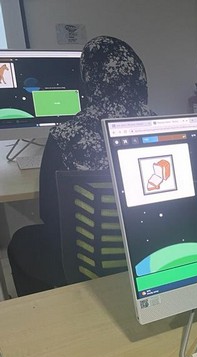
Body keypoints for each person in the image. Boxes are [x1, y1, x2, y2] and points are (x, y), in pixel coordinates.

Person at [7, 36, 154, 296]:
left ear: (88, 80)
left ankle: (53, 309)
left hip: (88, 260)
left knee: (21, 241)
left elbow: (50, 215)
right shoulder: (165, 127)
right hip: (148, 252)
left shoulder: (64, 135)